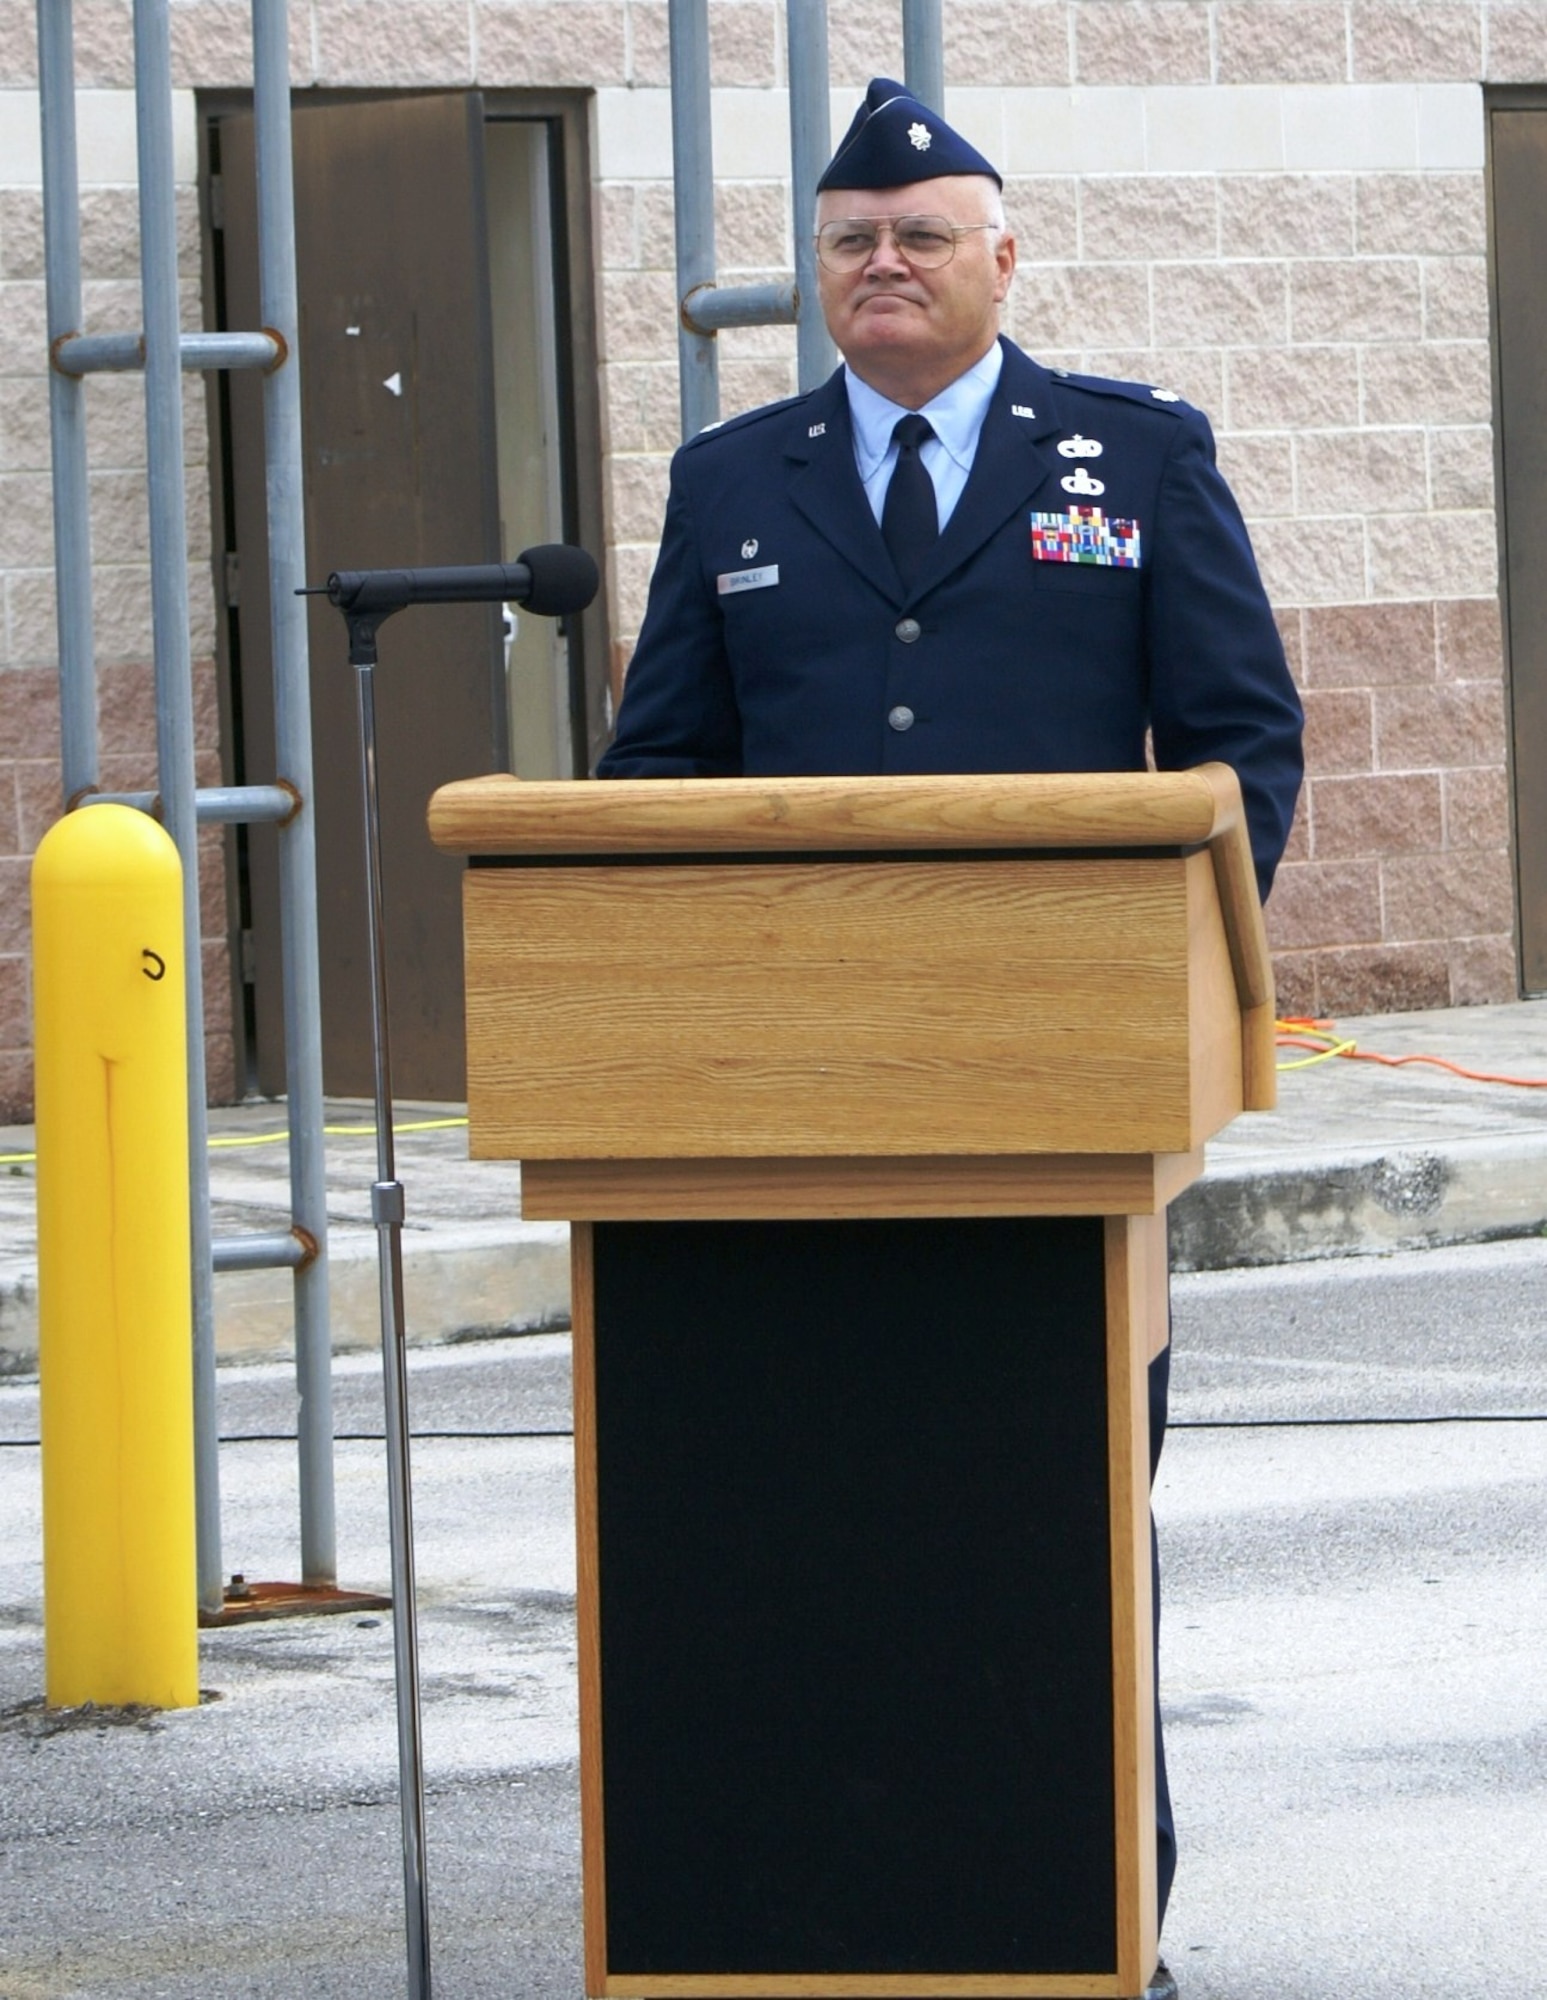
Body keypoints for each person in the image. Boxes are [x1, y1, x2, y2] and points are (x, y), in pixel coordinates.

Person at [598, 76, 1305, 2000]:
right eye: (851, 240)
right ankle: (819, 1930)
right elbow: (657, 776)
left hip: (1063, 1103)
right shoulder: (735, 483)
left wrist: (1178, 977)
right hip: (784, 1118)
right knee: (804, 1526)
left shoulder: (1135, 459)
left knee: (1053, 1531)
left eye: (922, 234)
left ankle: (1092, 1936)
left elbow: (1241, 748)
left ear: (1007, 254)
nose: (884, 263)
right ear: (816, 273)